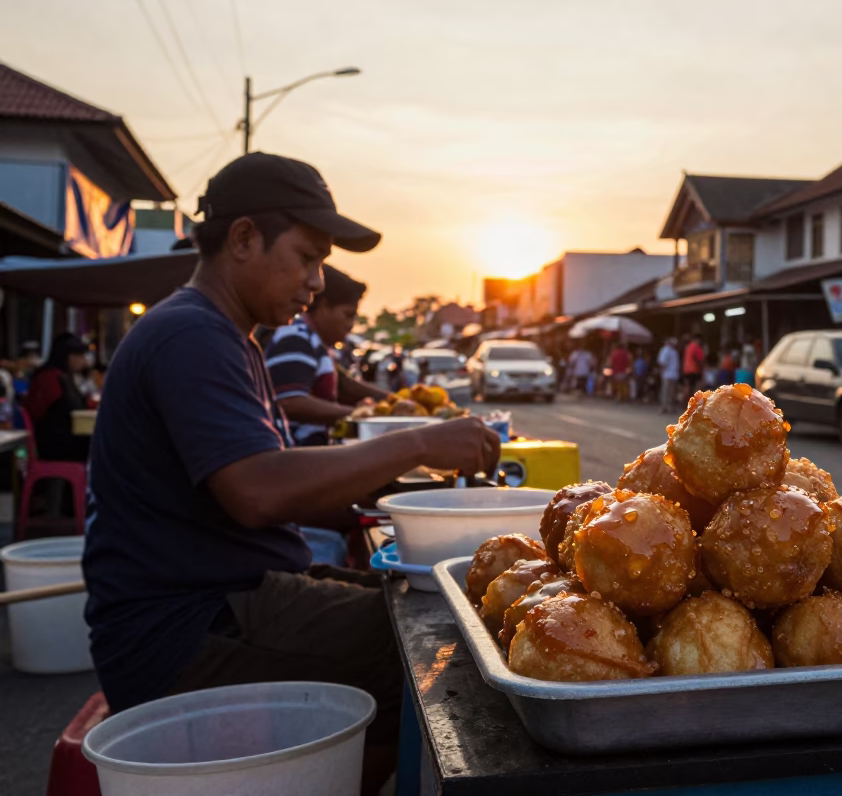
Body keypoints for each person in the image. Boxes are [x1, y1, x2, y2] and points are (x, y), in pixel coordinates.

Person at [81, 152, 501, 795]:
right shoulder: (190, 335)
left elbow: (264, 482)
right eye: (306, 257)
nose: (316, 280)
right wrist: (418, 442)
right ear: (244, 238)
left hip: (228, 592)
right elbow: (258, 490)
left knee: (414, 606)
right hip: (187, 625)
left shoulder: (229, 336)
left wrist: (405, 502)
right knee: (440, 656)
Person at [266, 264, 389, 446]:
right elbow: (289, 401)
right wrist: (359, 416)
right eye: (347, 315)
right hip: (296, 458)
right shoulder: (296, 337)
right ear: (323, 307)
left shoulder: (317, 343)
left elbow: (345, 386)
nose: (351, 325)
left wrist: (395, 400)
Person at [25, 332, 91, 461]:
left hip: (68, 440)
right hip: (56, 446)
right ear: (67, 356)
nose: (82, 360)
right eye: (78, 355)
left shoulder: (65, 377)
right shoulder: (49, 379)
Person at [657, 337, 680, 413]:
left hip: (668, 374)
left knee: (666, 391)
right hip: (672, 374)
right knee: (670, 392)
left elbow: (662, 362)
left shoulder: (666, 350)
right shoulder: (672, 351)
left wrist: (661, 372)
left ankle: (665, 407)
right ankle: (668, 407)